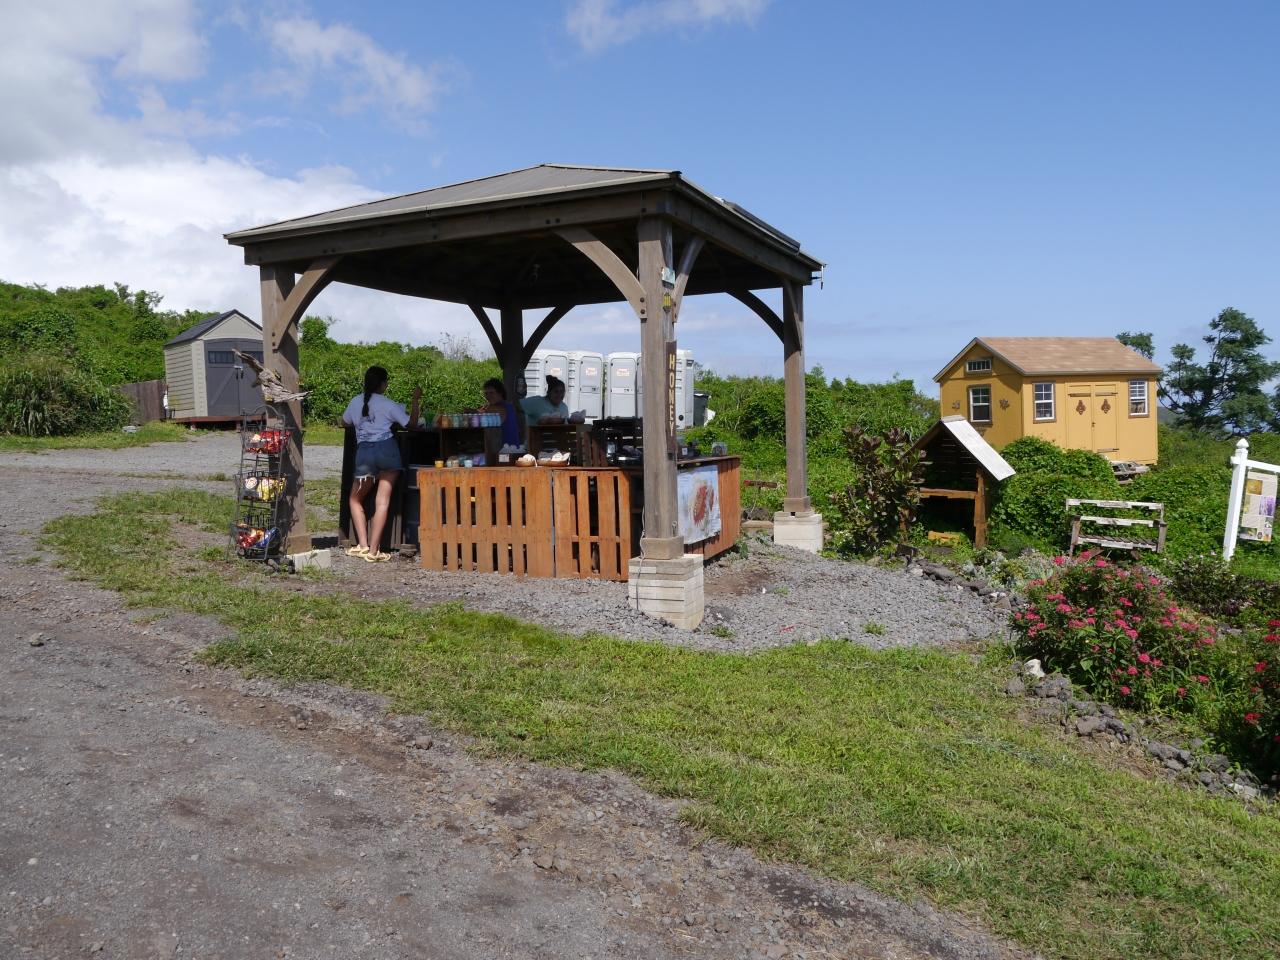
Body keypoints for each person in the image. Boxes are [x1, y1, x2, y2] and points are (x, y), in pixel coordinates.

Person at [342, 366, 409, 562]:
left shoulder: (355, 401)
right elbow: (409, 423)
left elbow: (344, 421)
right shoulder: (389, 404)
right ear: (383, 384)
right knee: (382, 502)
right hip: (387, 451)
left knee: (355, 500)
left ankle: (363, 545)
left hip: (365, 454)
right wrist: (415, 401)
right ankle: (373, 552)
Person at [479, 377, 522, 448]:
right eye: (486, 393)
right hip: (511, 449)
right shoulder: (509, 406)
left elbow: (479, 414)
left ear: (500, 393)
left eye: (492, 392)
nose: (488, 396)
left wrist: (471, 411)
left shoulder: (499, 408)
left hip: (506, 451)